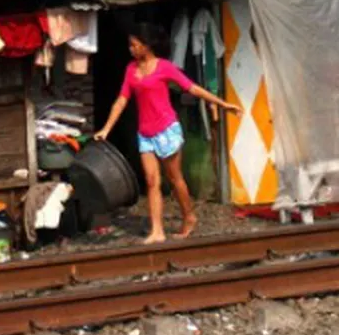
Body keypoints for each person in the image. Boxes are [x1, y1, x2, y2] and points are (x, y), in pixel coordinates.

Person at [94, 25, 242, 244]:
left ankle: (189, 216)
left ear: (147, 45)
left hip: (167, 129)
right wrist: (106, 128)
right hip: (145, 133)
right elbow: (122, 99)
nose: (131, 49)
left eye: (135, 45)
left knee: (175, 178)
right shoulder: (130, 70)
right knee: (152, 180)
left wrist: (222, 104)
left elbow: (191, 88)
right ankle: (157, 231)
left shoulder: (164, 67)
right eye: (130, 45)